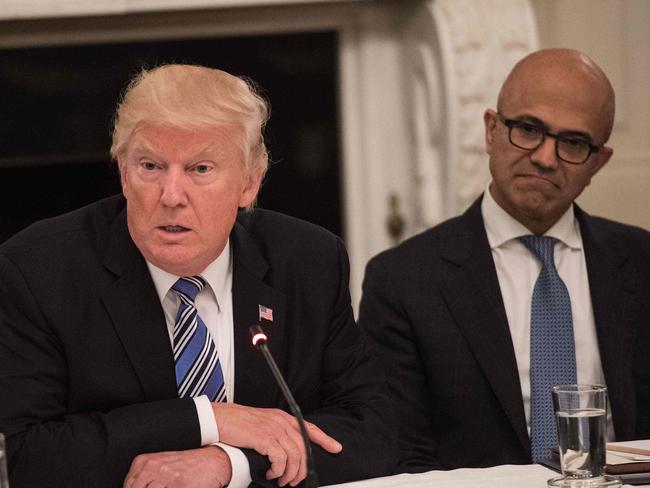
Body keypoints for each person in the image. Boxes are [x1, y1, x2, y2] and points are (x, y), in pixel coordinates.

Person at [0, 64, 395, 488]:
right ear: (123, 174)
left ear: (249, 184)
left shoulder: (307, 260)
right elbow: (25, 456)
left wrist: (231, 464)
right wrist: (209, 419)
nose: (171, 197)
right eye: (150, 166)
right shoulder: (38, 268)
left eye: (200, 169)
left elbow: (373, 431)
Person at [358, 48, 650, 472]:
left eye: (573, 142)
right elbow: (403, 453)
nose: (546, 158)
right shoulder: (403, 280)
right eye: (529, 129)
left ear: (598, 162)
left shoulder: (641, 264)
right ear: (492, 130)